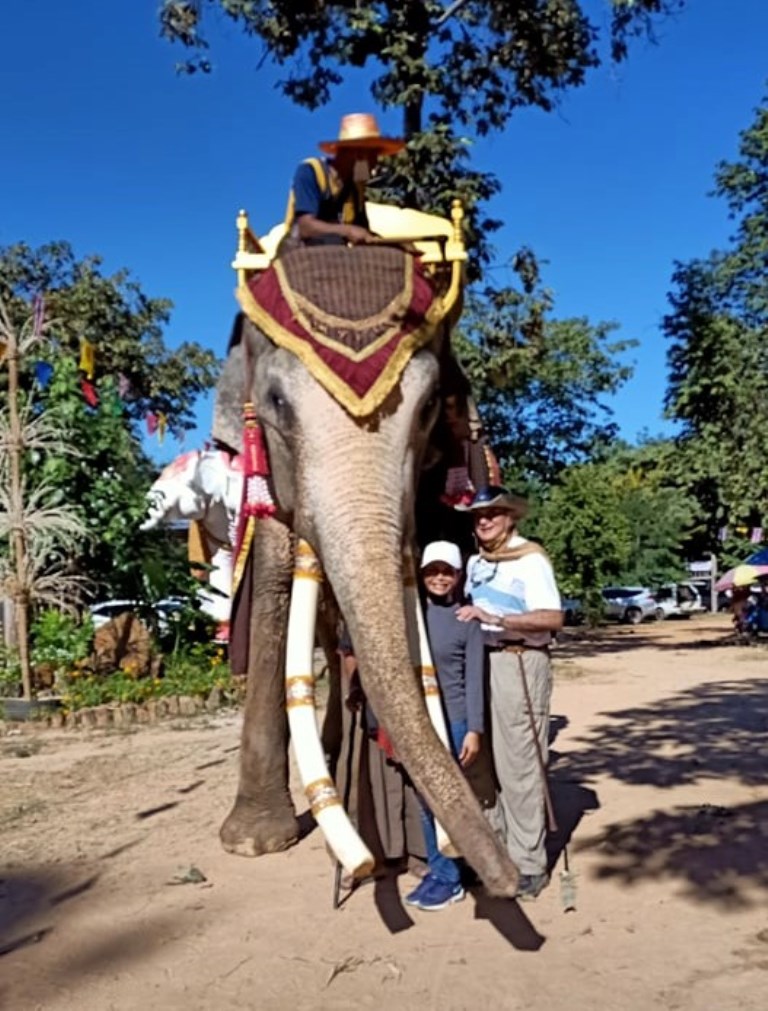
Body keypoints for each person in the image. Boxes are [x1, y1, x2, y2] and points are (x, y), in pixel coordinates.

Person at [455, 485, 563, 901]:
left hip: (518, 660)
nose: (484, 520)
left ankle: (530, 863)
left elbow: (553, 618)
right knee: (482, 761)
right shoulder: (477, 562)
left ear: (510, 517)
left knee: (520, 762)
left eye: (493, 513)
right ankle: (497, 851)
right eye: (478, 515)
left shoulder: (530, 559)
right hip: (481, 662)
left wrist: (496, 617)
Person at [404, 540, 486, 912]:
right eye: (432, 571)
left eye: (446, 572)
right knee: (425, 800)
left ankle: (451, 879)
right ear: (422, 575)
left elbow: (474, 679)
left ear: (457, 576)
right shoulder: (412, 616)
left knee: (446, 801)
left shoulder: (466, 621)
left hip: (452, 721)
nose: (439, 578)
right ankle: (440, 872)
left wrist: (474, 729)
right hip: (417, 723)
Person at [280, 112, 404, 251]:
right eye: (373, 158)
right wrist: (348, 231)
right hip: (300, 254)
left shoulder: (356, 189)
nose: (374, 165)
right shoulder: (311, 171)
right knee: (332, 241)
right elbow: (305, 227)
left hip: (338, 256)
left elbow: (363, 231)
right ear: (359, 155)